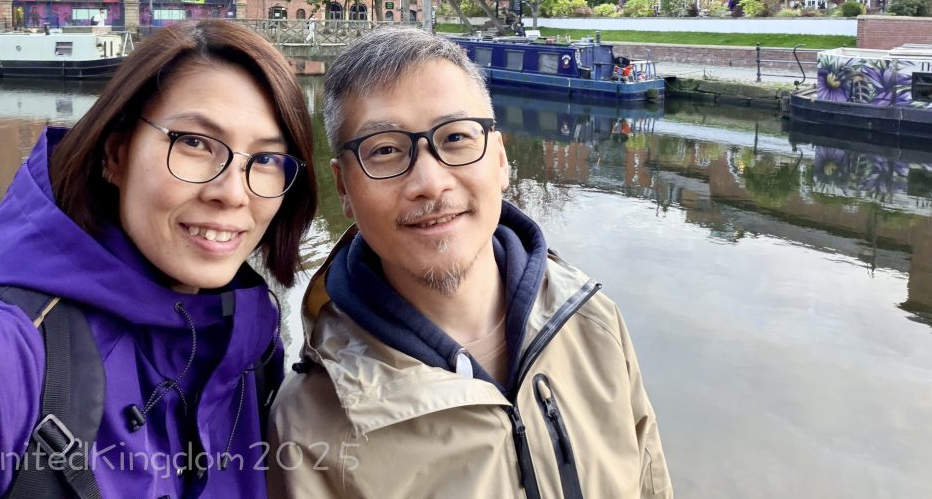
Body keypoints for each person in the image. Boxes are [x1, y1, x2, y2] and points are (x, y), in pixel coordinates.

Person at [0, 19, 318, 496]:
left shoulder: (248, 341)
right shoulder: (11, 353)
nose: (233, 193)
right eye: (194, 142)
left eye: (266, 159)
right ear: (116, 154)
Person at [268, 27, 670, 497]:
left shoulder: (594, 320)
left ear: (500, 160)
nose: (431, 182)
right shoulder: (307, 427)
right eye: (385, 150)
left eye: (456, 137)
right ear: (344, 188)